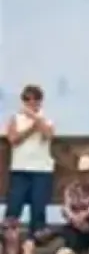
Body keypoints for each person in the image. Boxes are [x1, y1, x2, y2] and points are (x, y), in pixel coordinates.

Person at [4, 84, 56, 235]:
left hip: (42, 170)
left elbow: (48, 134)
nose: (31, 102)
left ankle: (36, 238)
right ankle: (8, 238)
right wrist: (31, 128)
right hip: (20, 169)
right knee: (14, 206)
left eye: (35, 99)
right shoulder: (15, 118)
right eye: (27, 99)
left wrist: (35, 118)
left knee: (38, 207)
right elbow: (13, 138)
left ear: (40, 101)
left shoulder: (47, 120)